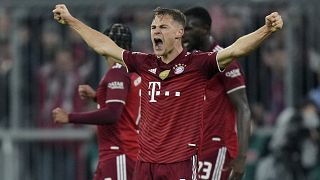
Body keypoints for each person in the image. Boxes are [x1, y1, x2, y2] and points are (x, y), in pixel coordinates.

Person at [52, 4, 283, 179]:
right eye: (153, 27)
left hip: (180, 162)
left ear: (179, 33)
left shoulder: (198, 64)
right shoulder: (145, 63)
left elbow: (237, 49)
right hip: (145, 162)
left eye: (163, 27)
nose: (155, 32)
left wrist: (266, 29)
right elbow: (104, 45)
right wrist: (72, 20)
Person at [52, 23, 141, 180]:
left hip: (119, 152)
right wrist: (97, 97)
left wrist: (70, 117)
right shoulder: (132, 73)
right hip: (116, 153)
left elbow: (113, 113)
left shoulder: (117, 72)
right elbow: (128, 106)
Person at [182, 7, 251, 180]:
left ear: (205, 29)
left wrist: (241, 158)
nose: (183, 34)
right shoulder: (190, 61)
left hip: (217, 147)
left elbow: (243, 108)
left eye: (188, 29)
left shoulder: (224, 60)